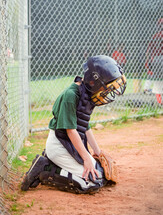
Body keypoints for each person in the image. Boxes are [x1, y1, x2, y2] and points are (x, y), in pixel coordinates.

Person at [21, 55, 127, 194]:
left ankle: (54, 164)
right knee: (90, 183)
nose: (106, 93)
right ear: (93, 82)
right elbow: (71, 131)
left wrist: (97, 151)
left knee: (101, 175)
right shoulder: (71, 96)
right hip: (60, 145)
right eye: (105, 88)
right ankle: (45, 168)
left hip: (70, 144)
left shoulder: (87, 94)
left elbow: (84, 126)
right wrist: (86, 159)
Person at [145, 18, 163, 104]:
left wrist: (148, 61)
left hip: (156, 60)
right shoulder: (156, 36)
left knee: (158, 81)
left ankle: (160, 102)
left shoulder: (155, 36)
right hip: (159, 59)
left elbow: (149, 50)